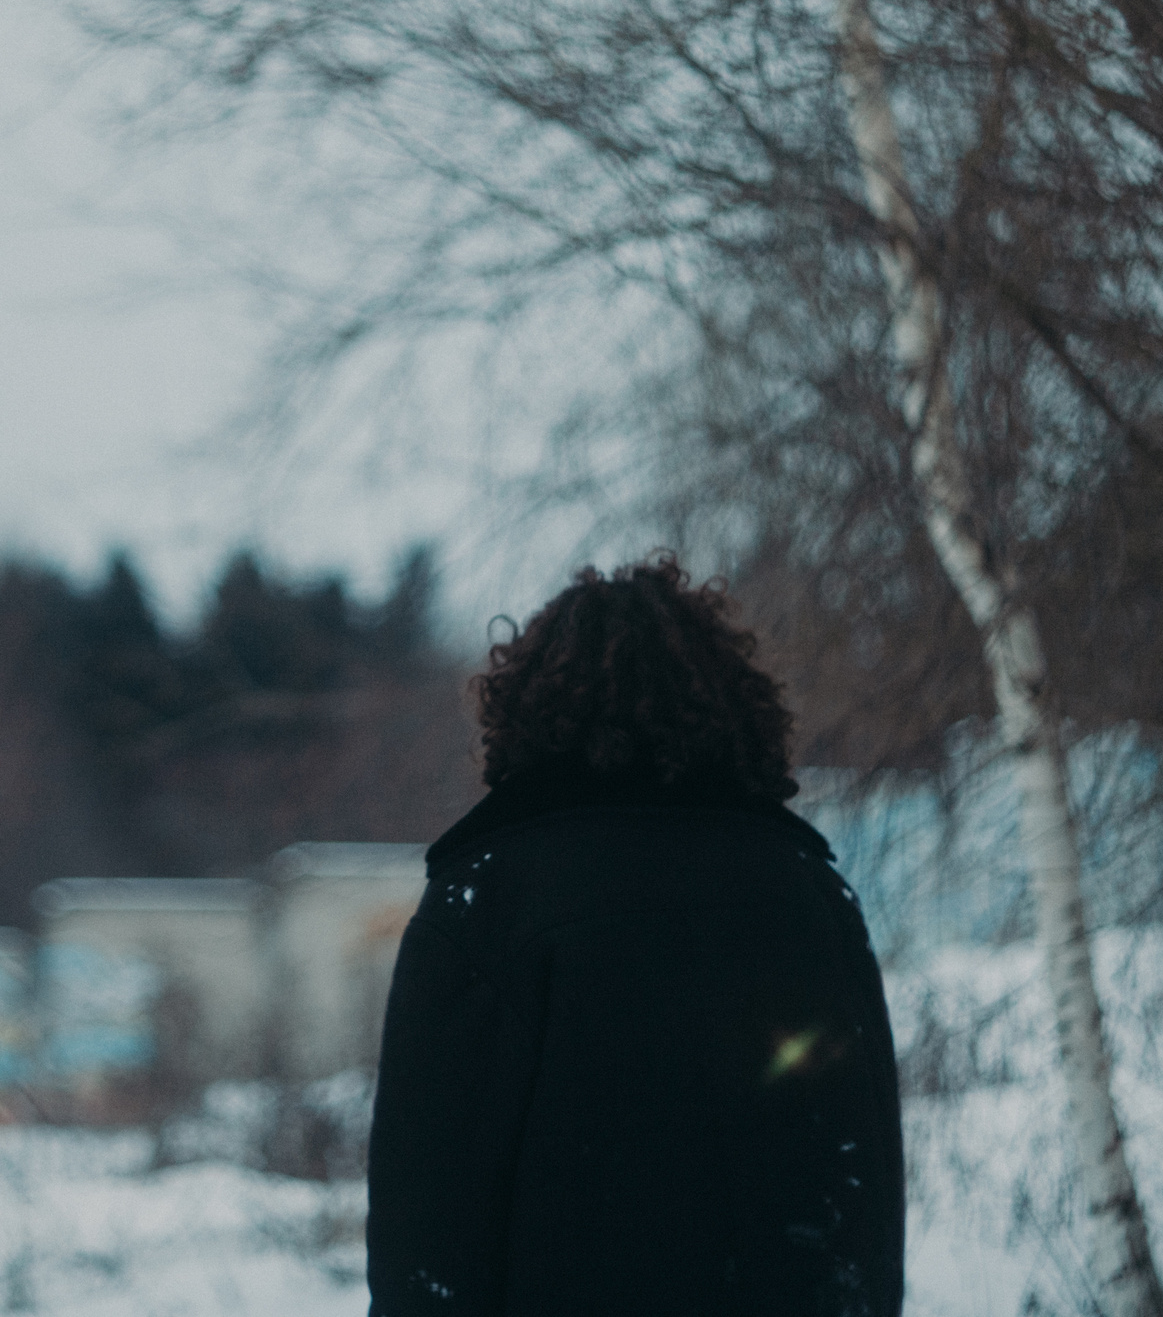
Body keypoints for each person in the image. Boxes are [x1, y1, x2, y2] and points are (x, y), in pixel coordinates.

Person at [366, 558, 904, 1316]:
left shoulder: (487, 901)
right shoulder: (809, 898)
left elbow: (426, 1226)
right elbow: (861, 1185)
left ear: (526, 710)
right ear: (733, 705)